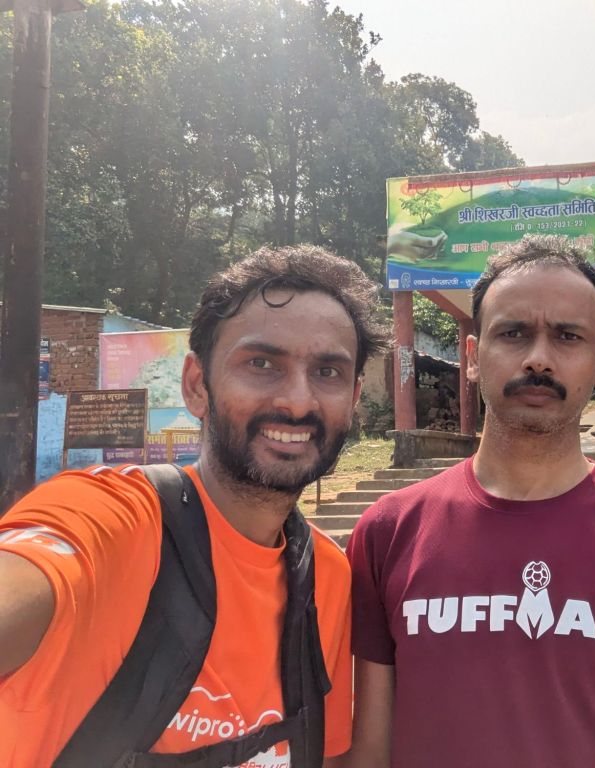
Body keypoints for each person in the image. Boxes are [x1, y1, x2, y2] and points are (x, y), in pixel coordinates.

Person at [343, 235, 595, 768]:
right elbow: (369, 751)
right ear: (472, 355)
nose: (538, 358)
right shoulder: (388, 533)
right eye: (513, 333)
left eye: (567, 336)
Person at [0, 245, 393, 766]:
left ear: (354, 399)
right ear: (196, 385)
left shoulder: (328, 575)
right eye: (261, 364)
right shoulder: (117, 521)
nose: (298, 401)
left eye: (327, 372)